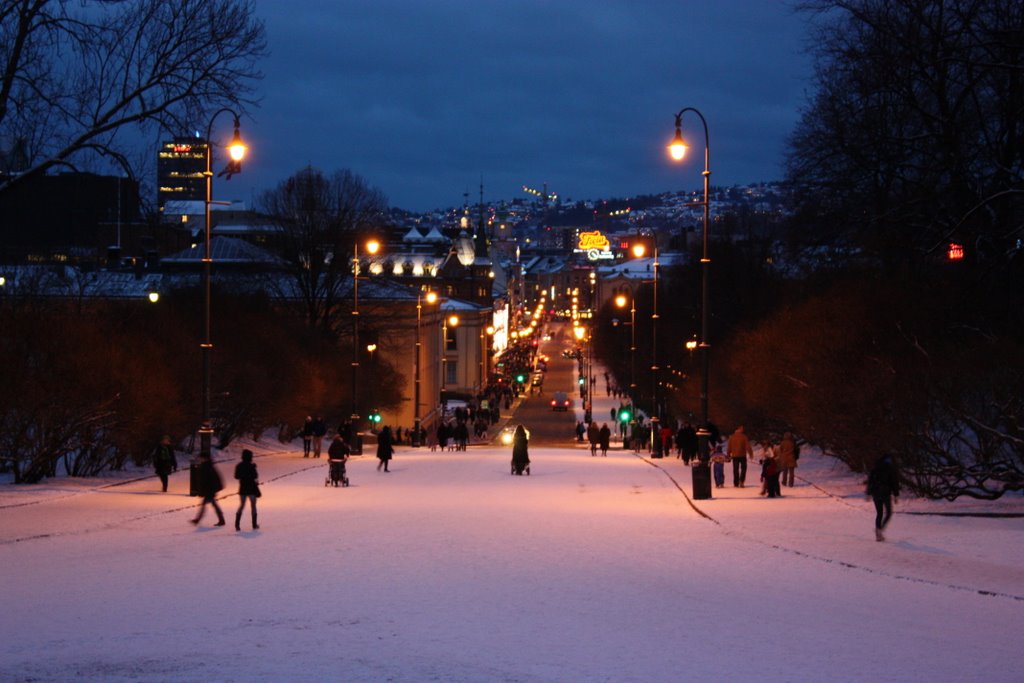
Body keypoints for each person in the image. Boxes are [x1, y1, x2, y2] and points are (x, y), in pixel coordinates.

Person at [866, 454, 901, 541]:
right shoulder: (890, 468)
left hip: (876, 493)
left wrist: (869, 493)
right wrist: (896, 495)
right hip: (885, 493)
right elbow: (894, 482)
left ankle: (878, 531)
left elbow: (870, 481)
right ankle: (880, 530)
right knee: (888, 513)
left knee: (879, 513)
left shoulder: (875, 468)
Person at [190, 453, 225, 527]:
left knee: (207, 505)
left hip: (209, 490)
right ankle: (221, 519)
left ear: (205, 458)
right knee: (213, 505)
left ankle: (198, 520)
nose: (200, 459)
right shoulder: (209, 466)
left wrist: (203, 490)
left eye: (201, 458)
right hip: (210, 489)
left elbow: (206, 479)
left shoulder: (207, 466)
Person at [234, 449, 260, 531]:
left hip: (242, 487)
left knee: (241, 505)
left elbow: (236, 476)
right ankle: (254, 524)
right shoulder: (251, 466)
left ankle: (237, 524)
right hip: (251, 488)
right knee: (253, 505)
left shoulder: (239, 466)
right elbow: (255, 476)